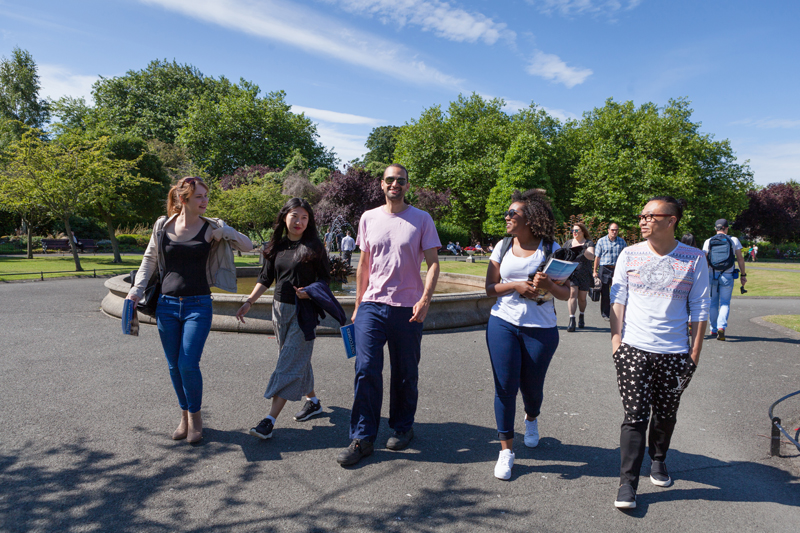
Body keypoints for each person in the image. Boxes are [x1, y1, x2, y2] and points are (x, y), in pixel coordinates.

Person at [127, 177, 253, 443]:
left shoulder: (212, 227)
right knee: (174, 366)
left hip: (198, 304)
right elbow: (149, 259)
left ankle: (196, 418)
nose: (205, 201)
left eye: (206, 196)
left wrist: (226, 232)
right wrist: (137, 289)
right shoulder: (162, 225)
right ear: (183, 199)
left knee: (188, 363)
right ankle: (183, 415)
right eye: (199, 197)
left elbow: (248, 246)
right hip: (167, 305)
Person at [337, 163, 441, 467]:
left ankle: (402, 427)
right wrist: (357, 304)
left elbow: (434, 263)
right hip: (372, 304)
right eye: (390, 180)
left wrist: (425, 299)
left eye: (401, 180)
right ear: (382, 185)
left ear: (407, 185)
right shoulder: (369, 218)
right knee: (366, 368)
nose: (395, 184)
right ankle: (362, 437)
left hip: (408, 307)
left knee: (405, 371)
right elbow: (364, 263)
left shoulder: (422, 219)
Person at [609, 196, 709, 509]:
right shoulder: (629, 254)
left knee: (665, 415)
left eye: (651, 216)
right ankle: (627, 484)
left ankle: (659, 458)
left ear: (671, 220)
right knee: (635, 416)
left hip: (675, 354)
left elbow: (700, 307)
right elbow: (618, 299)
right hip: (634, 350)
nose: (643, 221)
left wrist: (693, 355)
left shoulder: (693, 258)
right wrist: (616, 343)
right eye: (641, 216)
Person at [236, 198, 342, 440]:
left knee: (287, 364)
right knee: (295, 358)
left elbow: (326, 279)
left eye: (304, 217)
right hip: (279, 309)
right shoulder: (277, 246)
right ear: (285, 217)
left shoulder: (315, 245)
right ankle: (313, 402)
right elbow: (265, 278)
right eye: (295, 216)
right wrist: (248, 302)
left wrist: (311, 291)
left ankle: (269, 420)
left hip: (304, 312)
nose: (299, 222)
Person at [484, 189, 569, 480]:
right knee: (505, 387)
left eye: (512, 214)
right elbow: (490, 288)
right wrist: (516, 285)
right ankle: (506, 451)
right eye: (507, 213)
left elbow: (565, 292)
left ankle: (531, 418)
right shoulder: (503, 246)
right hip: (502, 323)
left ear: (529, 219)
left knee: (532, 389)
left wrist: (547, 284)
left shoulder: (551, 248)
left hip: (541, 329)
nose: (506, 217)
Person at [702, 219, 746, 341]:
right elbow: (740, 259)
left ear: (715, 228)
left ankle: (713, 328)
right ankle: (722, 327)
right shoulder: (734, 240)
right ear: (726, 228)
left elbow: (703, 259)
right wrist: (743, 275)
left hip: (712, 275)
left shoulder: (708, 241)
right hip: (727, 275)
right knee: (725, 303)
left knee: (713, 303)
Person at [564, 222, 595, 332]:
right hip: (571, 273)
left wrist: (583, 249)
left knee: (582, 298)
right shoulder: (568, 243)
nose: (574, 232)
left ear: (583, 232)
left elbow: (591, 257)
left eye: (577, 230)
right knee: (572, 294)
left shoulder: (588, 243)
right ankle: (572, 320)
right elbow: (563, 256)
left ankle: (581, 315)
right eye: (573, 230)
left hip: (584, 273)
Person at [593, 223, 626, 321]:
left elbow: (625, 257)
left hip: (617, 269)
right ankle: (605, 313)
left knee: (618, 292)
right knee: (605, 293)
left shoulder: (622, 242)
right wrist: (595, 271)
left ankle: (617, 313)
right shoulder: (601, 241)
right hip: (605, 268)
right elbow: (597, 257)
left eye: (616, 230)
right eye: (612, 230)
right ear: (608, 230)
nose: (614, 232)